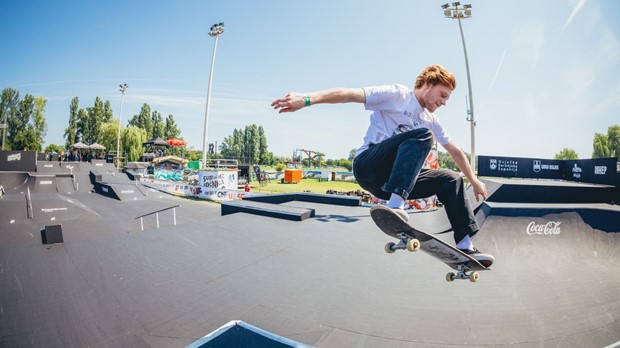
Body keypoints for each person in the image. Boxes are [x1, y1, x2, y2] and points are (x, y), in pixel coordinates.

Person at [271, 64, 493, 266]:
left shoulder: (431, 120)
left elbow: (455, 151)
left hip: (391, 183)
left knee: (451, 179)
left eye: (447, 99)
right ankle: (396, 207)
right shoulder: (398, 95)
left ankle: (465, 245)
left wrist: (473, 180)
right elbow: (348, 95)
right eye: (443, 95)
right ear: (427, 83)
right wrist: (307, 99)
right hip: (369, 166)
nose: (444, 102)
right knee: (423, 136)